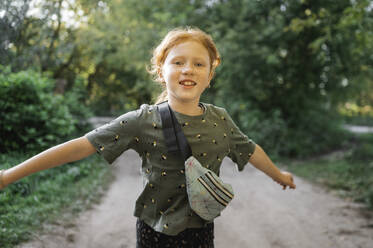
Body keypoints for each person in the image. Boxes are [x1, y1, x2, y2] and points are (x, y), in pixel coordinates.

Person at [0, 27, 296, 248]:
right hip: (154, 232)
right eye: (178, 62)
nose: (188, 69)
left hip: (202, 231)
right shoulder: (142, 120)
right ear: (161, 70)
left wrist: (278, 175)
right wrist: (9, 175)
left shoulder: (220, 119)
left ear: (210, 74)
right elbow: (80, 147)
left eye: (198, 63)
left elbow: (250, 150)